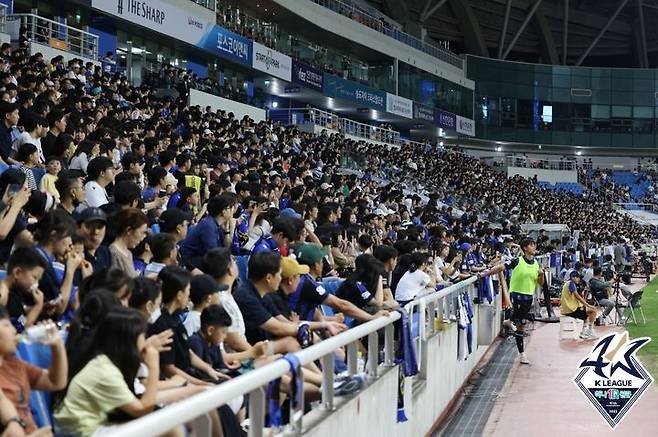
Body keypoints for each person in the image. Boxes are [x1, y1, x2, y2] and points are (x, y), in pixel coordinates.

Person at [54, 308, 178, 436]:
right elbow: (142, 409)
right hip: (80, 432)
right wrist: (153, 367)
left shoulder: (105, 360)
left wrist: (142, 354)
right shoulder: (105, 372)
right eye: (142, 336)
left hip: (88, 425)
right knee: (170, 427)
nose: (145, 341)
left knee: (167, 418)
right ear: (129, 340)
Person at [0, 305, 67, 435]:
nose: (14, 330)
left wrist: (57, 346)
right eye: (6, 325)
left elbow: (56, 382)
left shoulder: (13, 364)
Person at [490, 238, 543, 365]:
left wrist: (541, 274)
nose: (534, 247)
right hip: (517, 295)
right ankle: (522, 353)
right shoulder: (517, 261)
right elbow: (501, 267)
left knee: (520, 321)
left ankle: (510, 320)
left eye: (534, 244)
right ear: (525, 248)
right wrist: (485, 273)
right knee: (521, 325)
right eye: (531, 245)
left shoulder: (536, 264)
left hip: (529, 296)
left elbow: (540, 283)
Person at [0, 248, 48, 331]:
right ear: (17, 272)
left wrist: (42, 307)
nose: (36, 284)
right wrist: (38, 307)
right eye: (34, 277)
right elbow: (21, 329)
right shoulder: (2, 294)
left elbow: (18, 317)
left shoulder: (15, 291)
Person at [109, 208, 149, 278]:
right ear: (129, 230)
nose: (142, 238)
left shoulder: (128, 254)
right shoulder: (113, 254)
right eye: (142, 233)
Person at [561, 271, 598, 339]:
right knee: (593, 310)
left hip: (566, 308)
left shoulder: (566, 284)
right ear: (573, 277)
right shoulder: (571, 284)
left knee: (585, 311)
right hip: (571, 309)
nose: (579, 280)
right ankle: (589, 330)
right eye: (577, 278)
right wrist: (588, 305)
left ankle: (584, 332)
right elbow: (577, 296)